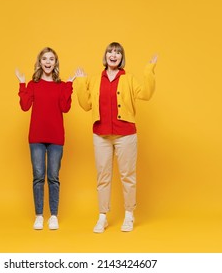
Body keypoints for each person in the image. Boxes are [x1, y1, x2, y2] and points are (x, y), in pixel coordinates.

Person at [74, 42, 157, 233]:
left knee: (127, 176)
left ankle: (129, 214)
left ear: (121, 58)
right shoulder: (94, 80)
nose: (113, 55)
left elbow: (146, 94)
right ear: (105, 56)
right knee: (103, 176)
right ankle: (102, 217)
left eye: (117, 52)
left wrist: (149, 70)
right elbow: (86, 105)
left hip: (125, 134)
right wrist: (79, 82)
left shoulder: (129, 79)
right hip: (101, 134)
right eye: (110, 51)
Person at [15, 47, 74, 230]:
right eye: (44, 59)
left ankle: (53, 216)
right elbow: (25, 106)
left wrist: (69, 85)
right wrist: (22, 84)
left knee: (53, 177)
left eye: (51, 59)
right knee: (38, 177)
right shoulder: (33, 84)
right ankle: (39, 216)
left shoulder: (61, 85)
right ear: (39, 62)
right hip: (37, 137)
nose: (48, 62)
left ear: (55, 63)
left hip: (56, 137)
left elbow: (65, 108)